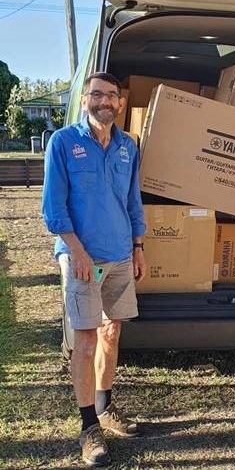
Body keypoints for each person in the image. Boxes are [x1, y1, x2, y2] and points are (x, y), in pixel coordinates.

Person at [42, 72, 147, 467]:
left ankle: (105, 407)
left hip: (119, 255)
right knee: (85, 339)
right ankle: (89, 428)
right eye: (97, 94)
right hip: (82, 258)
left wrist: (138, 246)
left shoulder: (127, 146)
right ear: (85, 99)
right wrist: (78, 254)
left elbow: (132, 201)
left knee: (111, 330)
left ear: (120, 103)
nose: (105, 102)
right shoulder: (63, 143)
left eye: (112, 96)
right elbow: (54, 208)